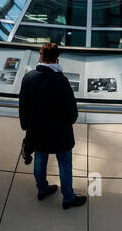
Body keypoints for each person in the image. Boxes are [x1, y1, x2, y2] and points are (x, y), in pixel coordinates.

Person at [18, 42, 86, 209]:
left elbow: (23, 106)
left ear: (40, 57)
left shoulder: (29, 77)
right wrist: (68, 122)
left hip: (37, 132)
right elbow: (72, 111)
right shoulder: (61, 81)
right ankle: (68, 198)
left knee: (40, 158)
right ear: (57, 59)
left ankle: (42, 188)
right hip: (60, 133)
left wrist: (27, 127)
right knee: (64, 163)